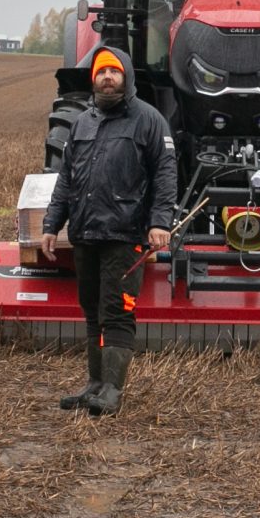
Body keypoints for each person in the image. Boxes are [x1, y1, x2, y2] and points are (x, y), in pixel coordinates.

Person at [41, 44, 177, 417]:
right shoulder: (83, 122)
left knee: (117, 311)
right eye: (101, 72)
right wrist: (52, 224)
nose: (107, 78)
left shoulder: (149, 120)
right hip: (86, 232)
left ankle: (112, 390)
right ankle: (94, 384)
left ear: (126, 76)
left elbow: (165, 176)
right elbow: (66, 180)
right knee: (92, 310)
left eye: (113, 71)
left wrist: (159, 222)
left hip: (125, 234)